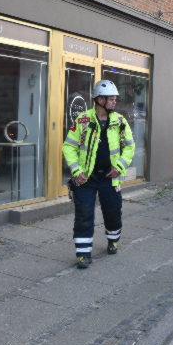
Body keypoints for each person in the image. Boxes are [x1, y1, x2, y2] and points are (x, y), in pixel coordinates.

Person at [62, 80, 135, 269]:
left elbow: (129, 147)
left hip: (110, 179)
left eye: (114, 99)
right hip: (86, 178)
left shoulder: (120, 121)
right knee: (84, 214)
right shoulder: (83, 120)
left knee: (112, 212)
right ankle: (83, 254)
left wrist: (119, 167)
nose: (114, 102)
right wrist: (76, 170)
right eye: (111, 99)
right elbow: (69, 145)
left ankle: (113, 240)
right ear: (99, 99)